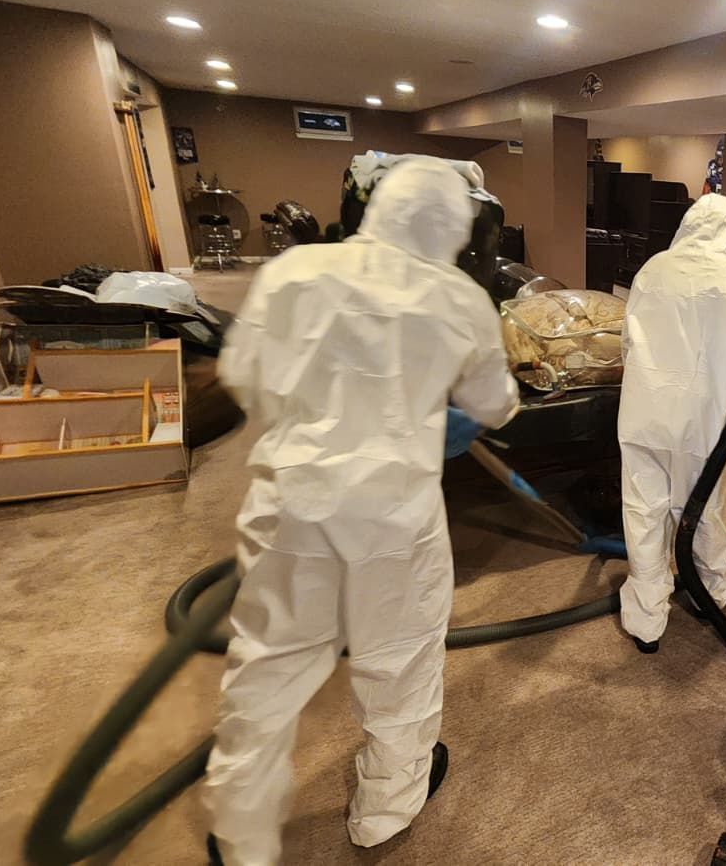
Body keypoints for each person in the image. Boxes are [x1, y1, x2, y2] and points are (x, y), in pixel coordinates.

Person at [205, 158, 520, 866]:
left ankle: (239, 833)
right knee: (399, 662)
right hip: (396, 518)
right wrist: (441, 413)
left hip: (292, 504)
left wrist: (319, 414)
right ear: (454, 228)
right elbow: (495, 404)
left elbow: (241, 374)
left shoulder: (293, 271)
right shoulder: (460, 298)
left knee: (267, 666)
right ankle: (384, 811)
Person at [618, 194, 726, 653]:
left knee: (643, 509)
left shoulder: (651, 269)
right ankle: (709, 591)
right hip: (702, 420)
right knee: (700, 505)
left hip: (642, 412)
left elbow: (627, 342)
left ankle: (645, 619)